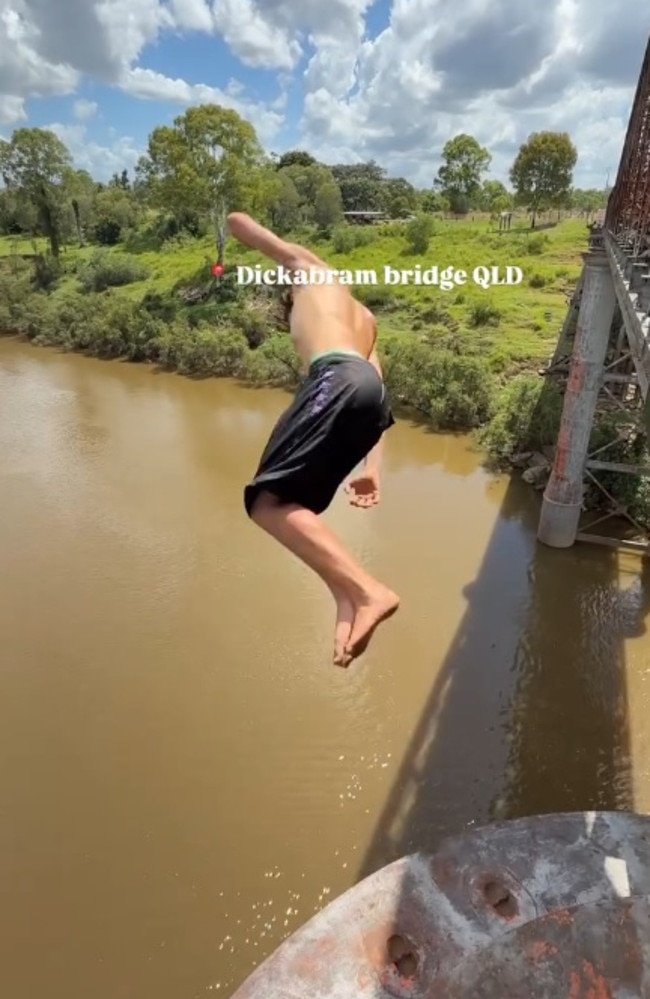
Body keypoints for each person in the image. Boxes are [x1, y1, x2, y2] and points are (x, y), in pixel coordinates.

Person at [227, 212, 399, 667]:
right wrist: (373, 472)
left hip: (335, 376)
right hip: (365, 393)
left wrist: (256, 239)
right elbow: (375, 396)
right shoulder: (367, 320)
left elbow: (239, 222)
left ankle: (367, 592)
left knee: (266, 502)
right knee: (297, 512)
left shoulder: (311, 271)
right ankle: (346, 598)